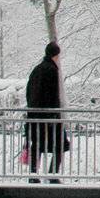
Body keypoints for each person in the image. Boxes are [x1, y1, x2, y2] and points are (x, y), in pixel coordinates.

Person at [25, 41, 67, 183]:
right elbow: (52, 95)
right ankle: (52, 175)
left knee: (37, 145)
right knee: (60, 145)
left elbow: (29, 92)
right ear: (57, 55)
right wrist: (54, 114)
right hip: (50, 118)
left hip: (35, 116)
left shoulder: (37, 69)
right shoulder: (52, 70)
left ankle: (33, 175)